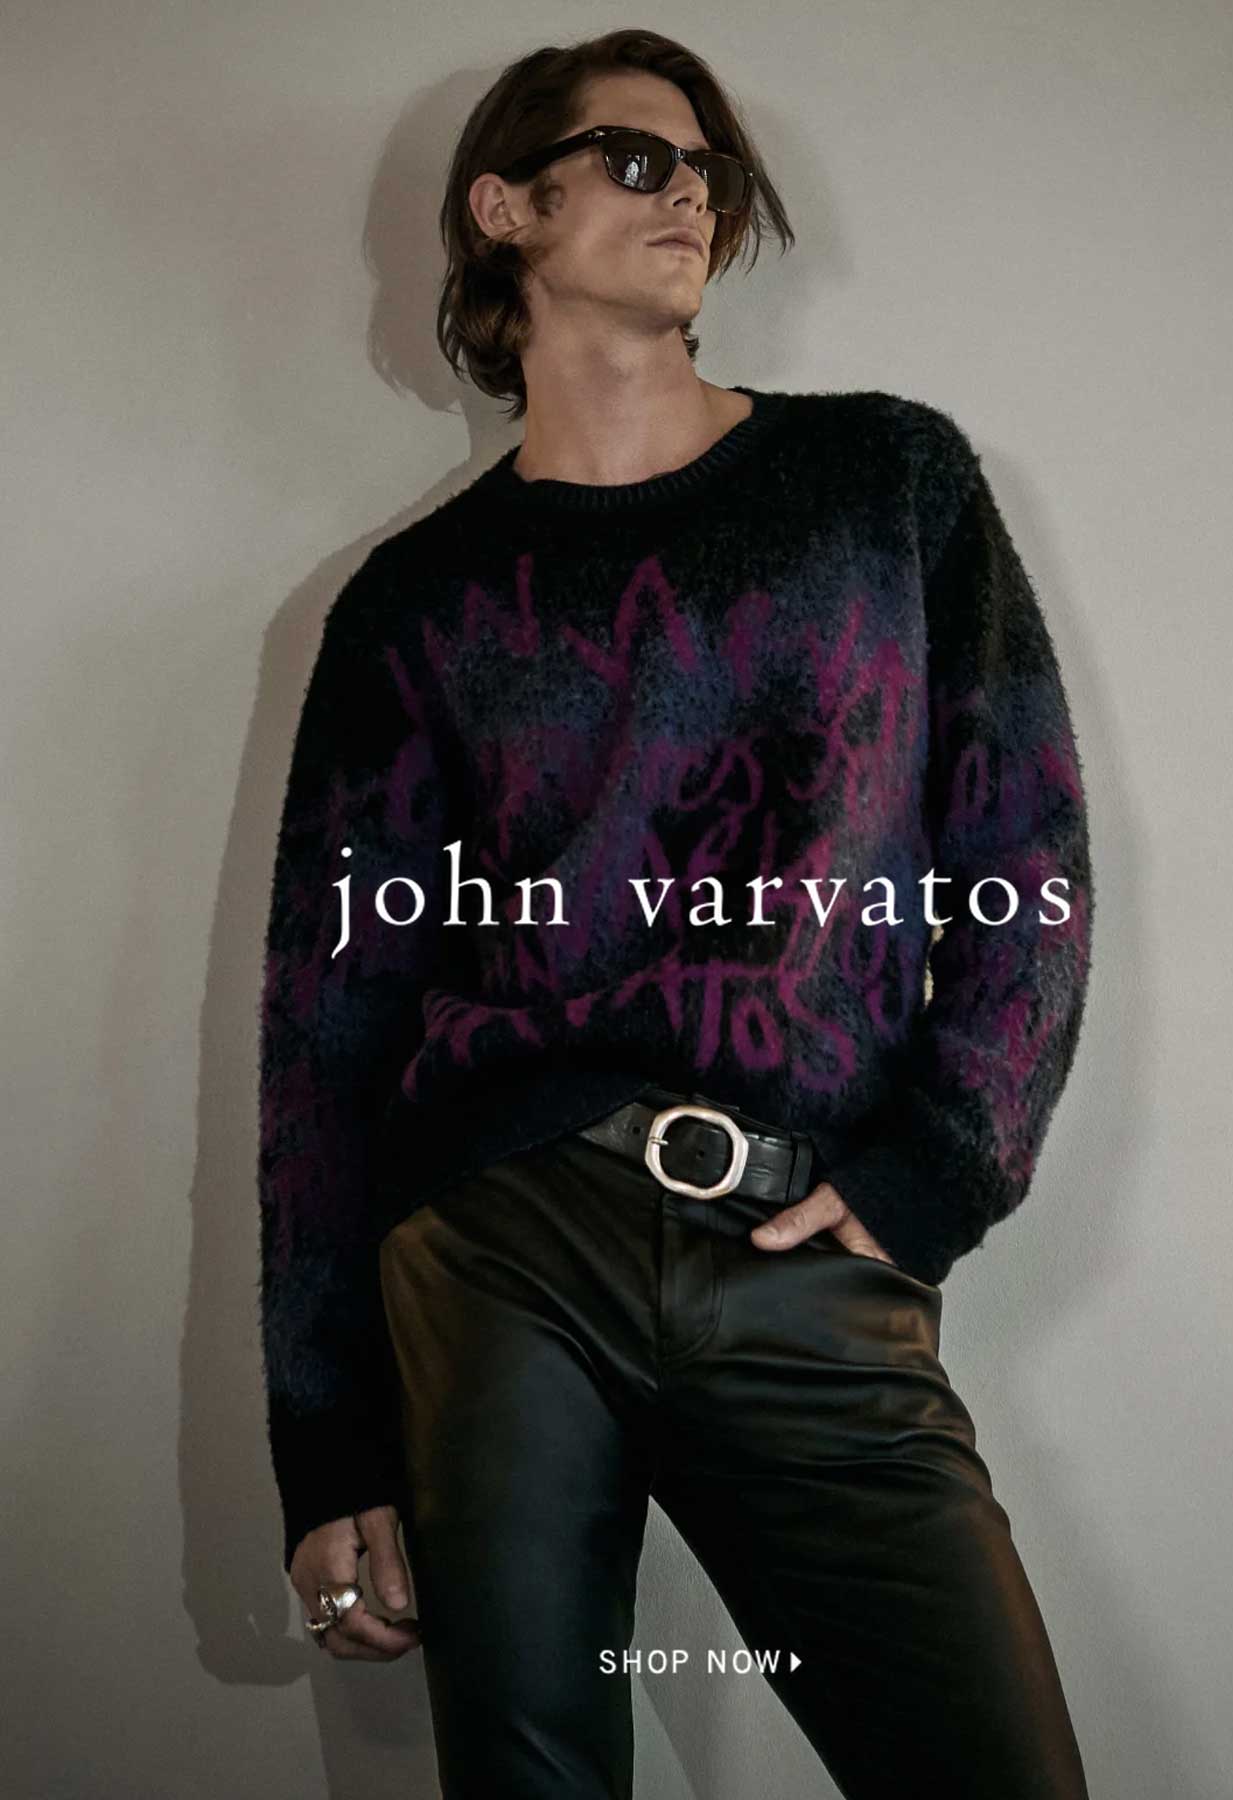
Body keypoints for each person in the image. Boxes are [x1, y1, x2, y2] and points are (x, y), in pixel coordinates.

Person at [257, 26, 1095, 1799]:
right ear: (507, 207)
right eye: (641, 158)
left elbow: (1022, 847)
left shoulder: (886, 486)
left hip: (803, 1241)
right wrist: (329, 1444)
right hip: (497, 1252)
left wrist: (944, 1166)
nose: (691, 192)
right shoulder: (413, 605)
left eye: (710, 167)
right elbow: (325, 1035)